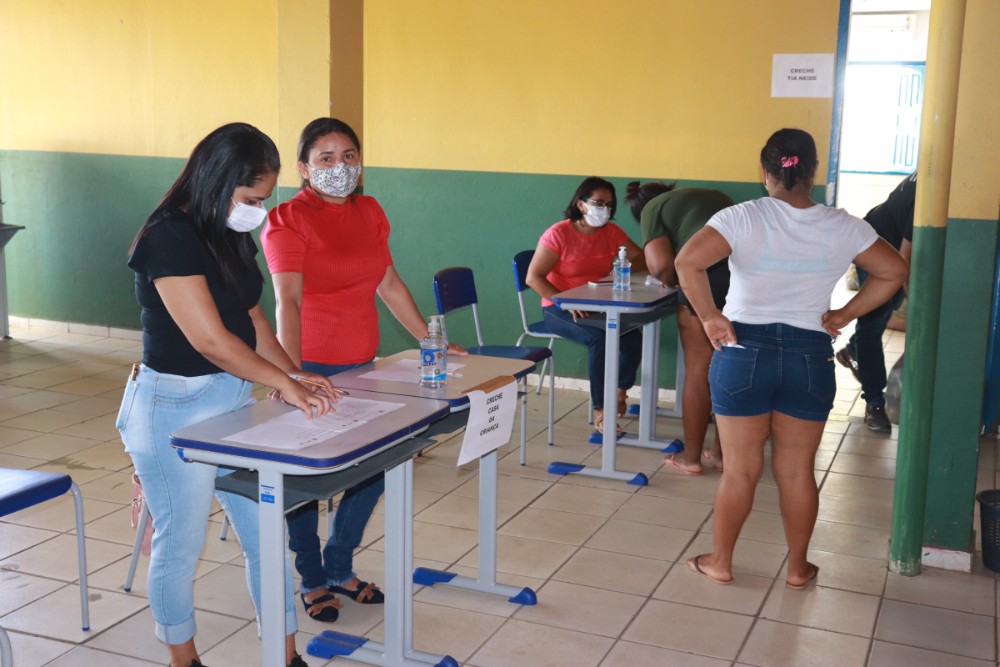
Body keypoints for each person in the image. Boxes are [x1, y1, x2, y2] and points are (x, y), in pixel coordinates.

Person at [117, 122, 335, 667]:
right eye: (251, 197)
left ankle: (285, 656)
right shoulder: (167, 236)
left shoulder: (227, 228)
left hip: (233, 398)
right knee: (181, 545)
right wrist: (280, 383)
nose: (256, 209)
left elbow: (253, 314)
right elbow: (211, 341)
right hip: (174, 407)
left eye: (263, 199)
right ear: (217, 182)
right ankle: (183, 660)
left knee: (266, 539)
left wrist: (293, 372)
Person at [675, 128, 907, 588]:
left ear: (765, 173)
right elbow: (894, 271)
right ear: (813, 172)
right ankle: (799, 568)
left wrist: (709, 317)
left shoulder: (740, 217)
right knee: (797, 470)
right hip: (809, 357)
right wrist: (844, 313)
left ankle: (721, 561)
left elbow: (687, 262)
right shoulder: (844, 225)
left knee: (740, 469)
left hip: (742, 353)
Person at [260, 117, 465, 623]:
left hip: (363, 364)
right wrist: (290, 375)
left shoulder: (370, 211)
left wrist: (431, 341)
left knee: (375, 467)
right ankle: (311, 578)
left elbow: (389, 282)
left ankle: (339, 565)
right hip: (312, 367)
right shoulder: (288, 219)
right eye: (325, 159)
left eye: (348, 156)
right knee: (309, 480)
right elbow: (287, 299)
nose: (339, 168)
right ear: (305, 168)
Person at [626, 181, 735, 474]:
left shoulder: (652, 208)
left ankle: (691, 457)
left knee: (698, 372)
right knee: (731, 366)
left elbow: (661, 266)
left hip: (707, 282)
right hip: (747, 284)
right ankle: (722, 453)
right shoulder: (715, 194)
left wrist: (674, 282)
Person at [525, 176, 647, 433]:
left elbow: (641, 259)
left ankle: (619, 393)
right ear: (581, 204)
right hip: (558, 307)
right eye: (598, 203)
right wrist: (564, 302)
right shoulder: (558, 233)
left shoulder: (611, 233)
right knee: (598, 339)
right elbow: (533, 278)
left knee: (633, 339)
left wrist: (621, 270)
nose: (605, 210)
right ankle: (602, 410)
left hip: (597, 305)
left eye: (609, 205)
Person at [835, 172, 915, 433]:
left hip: (888, 246)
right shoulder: (925, 194)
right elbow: (903, 263)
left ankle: (852, 351)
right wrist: (916, 306)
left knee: (888, 305)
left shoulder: (932, 179)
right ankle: (874, 403)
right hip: (875, 244)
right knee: (872, 324)